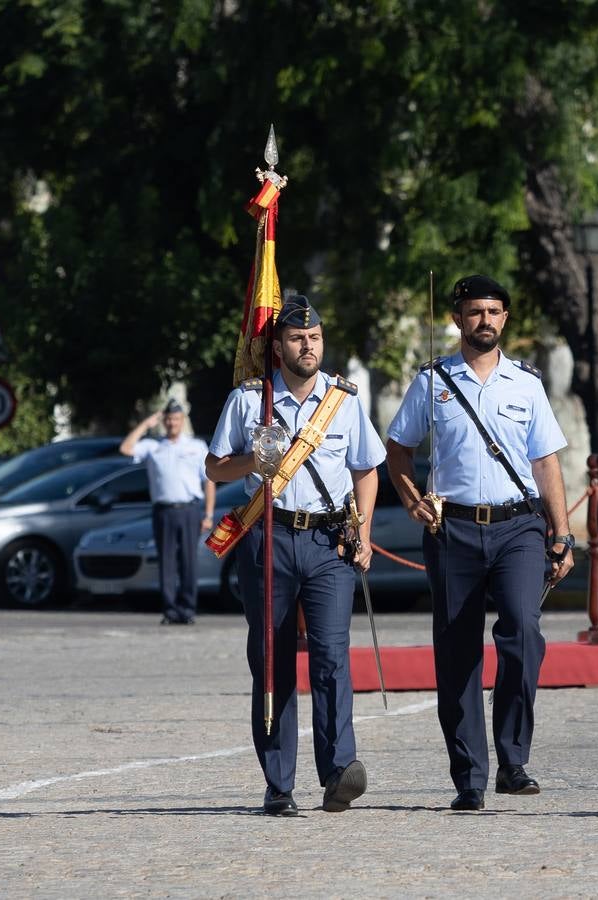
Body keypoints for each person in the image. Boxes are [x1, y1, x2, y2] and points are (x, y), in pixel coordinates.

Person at [385, 274, 574, 813]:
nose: (484, 320)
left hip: (518, 528)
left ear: (505, 319)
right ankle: (469, 776)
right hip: (454, 531)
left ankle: (513, 761)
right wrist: (411, 496)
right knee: (457, 651)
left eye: (493, 311)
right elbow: (397, 450)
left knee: (522, 629)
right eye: (474, 311)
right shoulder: (432, 381)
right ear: (457, 318)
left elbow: (546, 462)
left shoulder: (526, 383)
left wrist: (562, 534)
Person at [205, 294, 386, 817]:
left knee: (331, 656)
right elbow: (215, 470)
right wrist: (252, 462)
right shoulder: (248, 401)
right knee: (272, 662)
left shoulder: (344, 400)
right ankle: (279, 782)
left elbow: (366, 469)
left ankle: (338, 771)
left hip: (329, 543)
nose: (307, 346)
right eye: (295, 338)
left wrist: (364, 530)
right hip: (269, 537)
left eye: (315, 337)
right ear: (276, 346)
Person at [120, 399, 215, 625]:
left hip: (190, 509)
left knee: (188, 561)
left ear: (182, 421)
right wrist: (146, 424)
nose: (172, 423)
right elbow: (125, 448)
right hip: (163, 510)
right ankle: (170, 610)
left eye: (176, 419)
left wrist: (209, 514)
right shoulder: (154, 446)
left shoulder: (196, 446)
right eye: (168, 419)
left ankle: (188, 609)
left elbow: (209, 481)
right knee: (167, 562)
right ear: (163, 422)